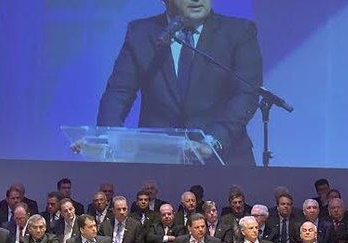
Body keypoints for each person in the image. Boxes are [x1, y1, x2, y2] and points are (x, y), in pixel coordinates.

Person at [96, 0, 263, 166]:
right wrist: (106, 138)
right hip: (159, 160)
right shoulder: (142, 33)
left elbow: (246, 94)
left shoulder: (239, 31)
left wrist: (213, 141)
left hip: (225, 160)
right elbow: (119, 92)